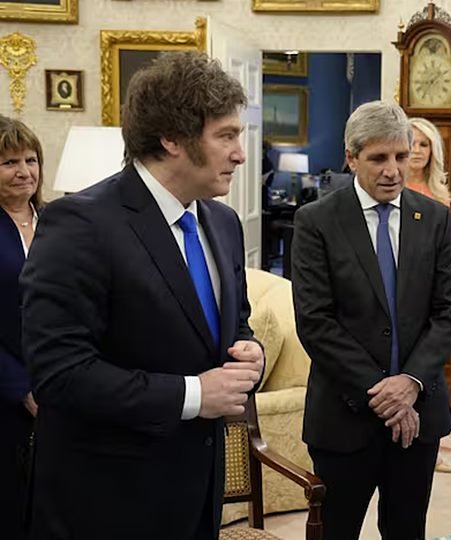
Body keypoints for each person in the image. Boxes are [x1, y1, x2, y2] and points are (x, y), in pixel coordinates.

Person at [21, 51, 265, 540]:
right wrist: (196, 394)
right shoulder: (81, 225)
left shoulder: (222, 222)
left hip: (198, 490)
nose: (241, 153)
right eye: (226, 136)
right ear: (172, 139)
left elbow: (233, 323)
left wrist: (249, 352)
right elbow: (60, 374)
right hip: (109, 500)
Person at [292, 101, 451, 540]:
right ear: (351, 158)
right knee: (337, 530)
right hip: (345, 417)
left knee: (407, 531)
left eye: (401, 157)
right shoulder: (316, 221)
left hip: (419, 414)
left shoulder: (435, 219)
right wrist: (383, 394)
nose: (393, 171)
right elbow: (316, 322)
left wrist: (410, 383)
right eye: (378, 159)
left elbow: (447, 314)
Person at [0, 116, 43, 540]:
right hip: (7, 391)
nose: (24, 171)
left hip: (63, 383)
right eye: (10, 161)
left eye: (31, 159)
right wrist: (22, 388)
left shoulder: (58, 220)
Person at [408, 116, 451, 474]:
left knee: (425, 373)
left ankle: (428, 441)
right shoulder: (386, 189)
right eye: (411, 142)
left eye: (424, 144)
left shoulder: (439, 198)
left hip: (430, 307)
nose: (416, 150)